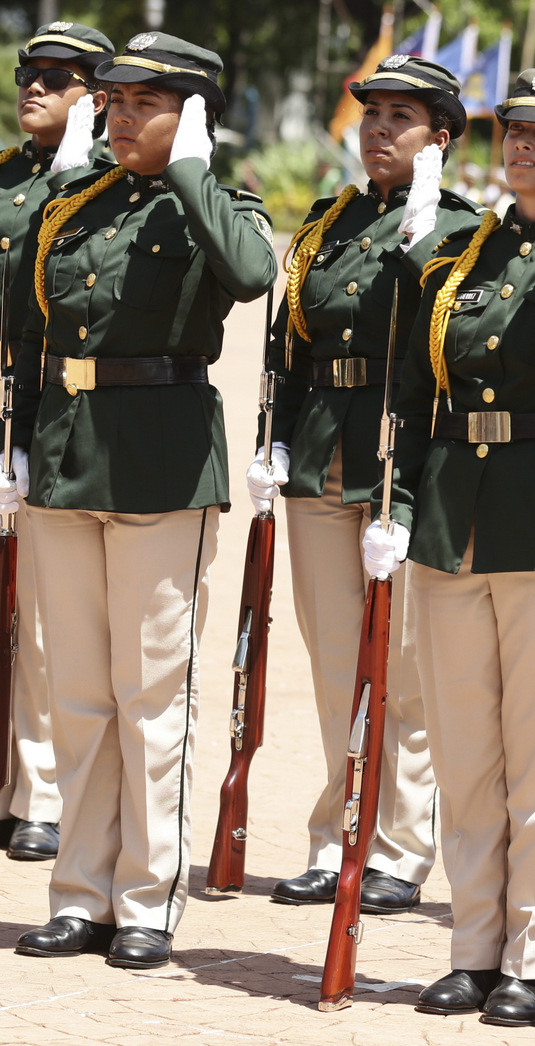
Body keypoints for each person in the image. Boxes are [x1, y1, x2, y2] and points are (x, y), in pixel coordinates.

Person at [363, 68, 535, 1027]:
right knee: (465, 755)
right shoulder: (460, 254)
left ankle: (531, 957)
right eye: (515, 128)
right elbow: (414, 388)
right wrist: (397, 504)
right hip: (456, 524)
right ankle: (473, 948)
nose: (521, 143)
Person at [4, 32, 276, 969]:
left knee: (152, 695)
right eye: (114, 100)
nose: (120, 117)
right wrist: (17, 446)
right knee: (80, 695)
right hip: (67, 456)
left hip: (161, 464)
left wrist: (193, 170)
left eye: (143, 103)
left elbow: (251, 275)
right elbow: (31, 336)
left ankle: (148, 899)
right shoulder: (73, 204)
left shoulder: (218, 204)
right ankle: (80, 893)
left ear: (192, 115)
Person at [245, 55, 482, 914]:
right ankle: (340, 833)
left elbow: (455, 350)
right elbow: (289, 342)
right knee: (336, 664)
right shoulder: (328, 222)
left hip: (404, 464)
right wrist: (274, 440)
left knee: (405, 669)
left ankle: (400, 850)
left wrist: (425, 251)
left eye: (400, 117)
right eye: (372, 113)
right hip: (321, 454)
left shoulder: (460, 229)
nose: (378, 129)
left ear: (440, 139)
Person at [0, 20, 113, 863]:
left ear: (95, 97)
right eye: (27, 72)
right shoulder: (5, 178)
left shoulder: (108, 184)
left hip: (48, 408)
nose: (34, 87)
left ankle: (37, 793)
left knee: (39, 615)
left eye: (57, 76)